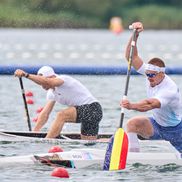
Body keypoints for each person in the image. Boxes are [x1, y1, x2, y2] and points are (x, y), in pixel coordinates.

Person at [120, 22, 182, 153]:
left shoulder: (169, 90)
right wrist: (135, 35)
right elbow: (131, 57)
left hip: (177, 130)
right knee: (132, 124)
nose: (149, 78)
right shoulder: (150, 73)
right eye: (147, 74)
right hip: (157, 125)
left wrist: (131, 106)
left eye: (152, 75)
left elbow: (149, 104)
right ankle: (133, 157)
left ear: (162, 73)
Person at [14, 66, 103, 140]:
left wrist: (26, 75)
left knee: (61, 115)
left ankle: (47, 141)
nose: (42, 85)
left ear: (52, 77)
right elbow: (45, 114)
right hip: (88, 114)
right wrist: (34, 133)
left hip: (93, 108)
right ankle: (110, 142)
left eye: (42, 81)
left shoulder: (62, 79)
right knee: (88, 143)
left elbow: (47, 81)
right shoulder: (51, 93)